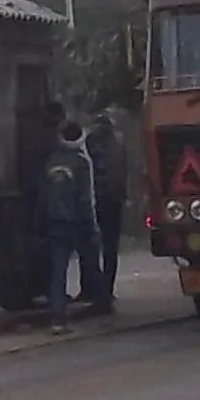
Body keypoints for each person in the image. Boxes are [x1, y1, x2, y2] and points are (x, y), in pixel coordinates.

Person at [38, 116, 101, 331]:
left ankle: (58, 319)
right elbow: (86, 198)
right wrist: (91, 226)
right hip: (76, 223)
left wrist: (40, 223)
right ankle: (100, 301)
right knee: (91, 261)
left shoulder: (51, 161)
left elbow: (43, 196)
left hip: (54, 223)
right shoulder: (81, 162)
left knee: (58, 272)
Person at [84, 107, 130, 312]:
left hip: (97, 200)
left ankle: (95, 289)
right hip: (114, 200)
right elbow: (122, 172)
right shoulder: (118, 142)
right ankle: (106, 290)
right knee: (109, 248)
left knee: (91, 245)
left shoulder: (91, 142)